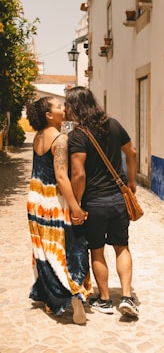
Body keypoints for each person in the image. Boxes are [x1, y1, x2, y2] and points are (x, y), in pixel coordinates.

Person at [65, 86, 139, 317]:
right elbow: (132, 152)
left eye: (68, 104)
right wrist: (131, 181)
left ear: (75, 107)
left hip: (94, 203)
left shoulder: (77, 135)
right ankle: (126, 297)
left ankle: (105, 300)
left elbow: (78, 174)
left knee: (96, 251)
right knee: (122, 247)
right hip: (118, 199)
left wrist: (76, 204)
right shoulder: (114, 125)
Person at [26, 96, 91, 325]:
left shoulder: (39, 136)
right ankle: (73, 294)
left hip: (35, 199)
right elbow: (62, 176)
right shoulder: (60, 139)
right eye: (59, 106)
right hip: (53, 201)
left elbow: (41, 166)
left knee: (44, 251)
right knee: (68, 249)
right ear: (49, 115)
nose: (64, 108)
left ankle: (50, 296)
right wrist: (76, 207)